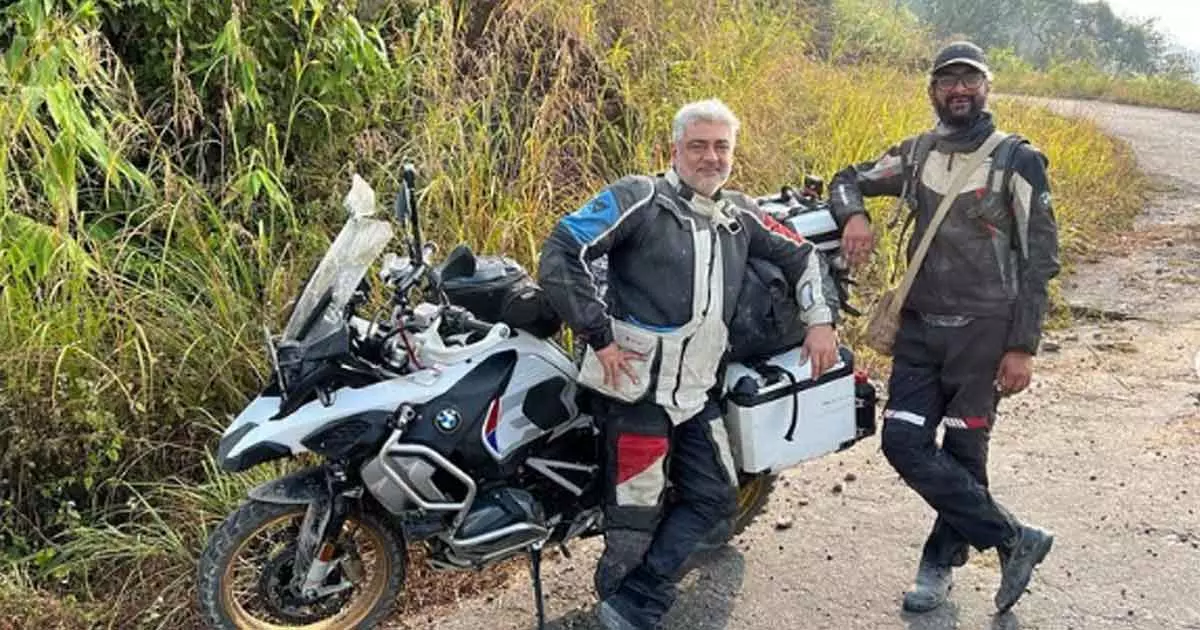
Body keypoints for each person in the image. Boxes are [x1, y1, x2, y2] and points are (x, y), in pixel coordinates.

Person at [538, 99, 838, 630]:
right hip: (633, 392)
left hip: (697, 396)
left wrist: (820, 320)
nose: (710, 157)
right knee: (632, 526)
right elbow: (563, 248)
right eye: (698, 145)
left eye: (722, 147)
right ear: (674, 149)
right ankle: (623, 601)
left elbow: (803, 253)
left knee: (718, 503)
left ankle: (636, 601)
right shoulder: (640, 197)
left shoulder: (740, 213)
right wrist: (598, 336)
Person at [830, 41, 1060, 614]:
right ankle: (1014, 537)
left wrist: (1022, 346)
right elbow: (846, 178)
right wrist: (853, 214)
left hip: (984, 336)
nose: (959, 89)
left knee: (964, 452)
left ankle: (936, 566)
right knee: (902, 441)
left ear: (986, 87)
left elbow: (1041, 261)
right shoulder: (916, 154)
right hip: (918, 329)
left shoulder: (1018, 161)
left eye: (969, 80)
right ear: (932, 90)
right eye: (947, 80)